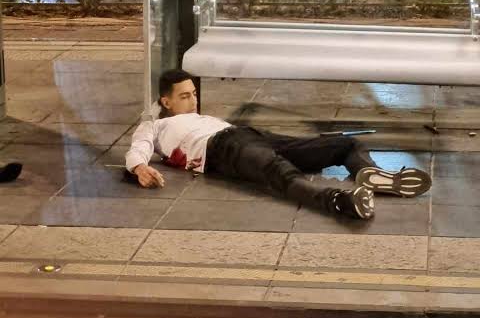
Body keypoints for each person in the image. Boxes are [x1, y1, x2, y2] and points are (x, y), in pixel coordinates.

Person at [125, 70, 431, 221]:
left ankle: (370, 174)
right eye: (184, 96)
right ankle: (340, 202)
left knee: (344, 143)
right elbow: (138, 147)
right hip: (221, 149)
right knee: (278, 172)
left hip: (249, 135)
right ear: (166, 102)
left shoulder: (199, 116)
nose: (193, 100)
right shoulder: (156, 125)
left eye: (194, 93)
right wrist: (139, 168)